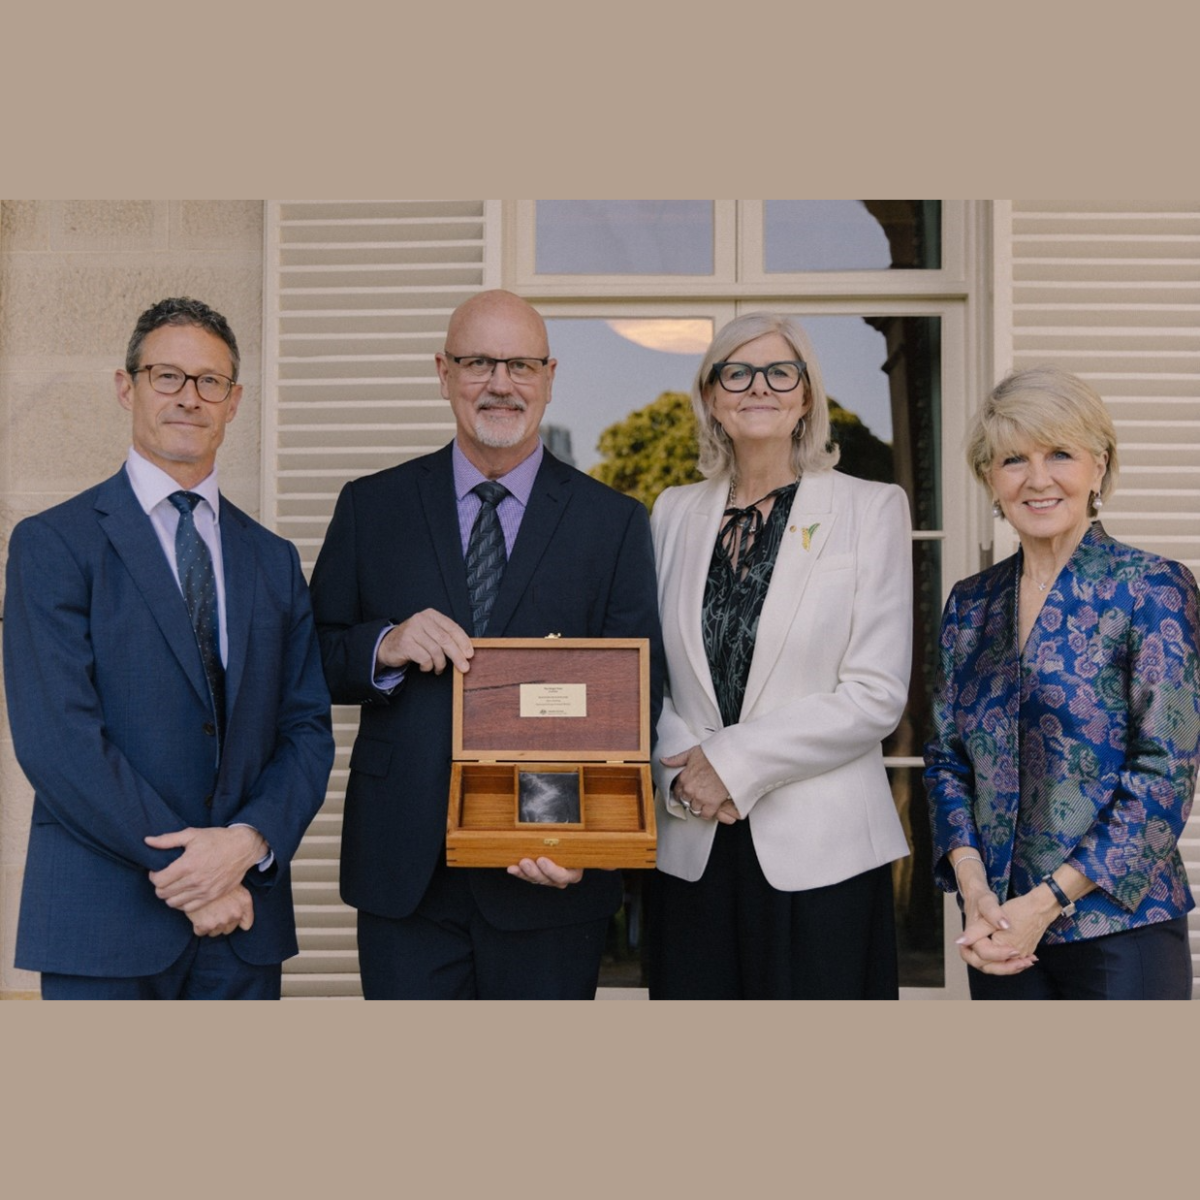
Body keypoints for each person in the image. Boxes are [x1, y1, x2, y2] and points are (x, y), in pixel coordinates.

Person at [309, 288, 663, 999]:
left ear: (550, 376)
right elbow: (309, 659)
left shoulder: (613, 523)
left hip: (545, 866)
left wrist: (579, 841)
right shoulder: (371, 506)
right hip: (405, 871)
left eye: (521, 365)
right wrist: (383, 644)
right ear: (444, 373)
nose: (501, 383)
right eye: (479, 363)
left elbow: (634, 701)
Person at [3, 297, 334, 999]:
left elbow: (306, 729)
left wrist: (245, 844)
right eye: (167, 377)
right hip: (106, 922)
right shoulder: (53, 544)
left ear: (234, 401)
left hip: (244, 925)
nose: (190, 397)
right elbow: (59, 740)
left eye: (209, 381)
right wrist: (196, 876)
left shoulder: (274, 560)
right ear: (127, 387)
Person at [647, 312, 913, 999]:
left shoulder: (871, 508)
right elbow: (648, 675)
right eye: (735, 372)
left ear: (804, 397)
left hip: (823, 856)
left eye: (779, 372)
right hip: (694, 838)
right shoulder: (671, 511)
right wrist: (680, 773)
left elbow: (875, 694)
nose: (756, 387)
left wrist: (729, 767)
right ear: (711, 396)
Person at [925, 367, 1199, 999]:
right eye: (1014, 459)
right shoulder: (971, 603)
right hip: (998, 928)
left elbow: (1165, 771)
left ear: (1098, 468)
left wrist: (1046, 903)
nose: (1037, 478)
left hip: (1119, 929)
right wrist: (975, 893)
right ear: (991, 479)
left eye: (1060, 454)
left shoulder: (1152, 587)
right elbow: (945, 761)